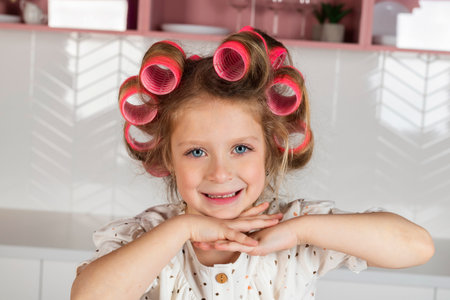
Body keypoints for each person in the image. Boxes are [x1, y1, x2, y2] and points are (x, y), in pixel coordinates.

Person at [71, 27, 434, 300]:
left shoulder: (298, 229)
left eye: (241, 149)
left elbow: (416, 246)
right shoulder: (150, 235)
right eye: (196, 152)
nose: (220, 173)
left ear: (271, 149)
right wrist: (181, 230)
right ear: (168, 157)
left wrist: (300, 230)